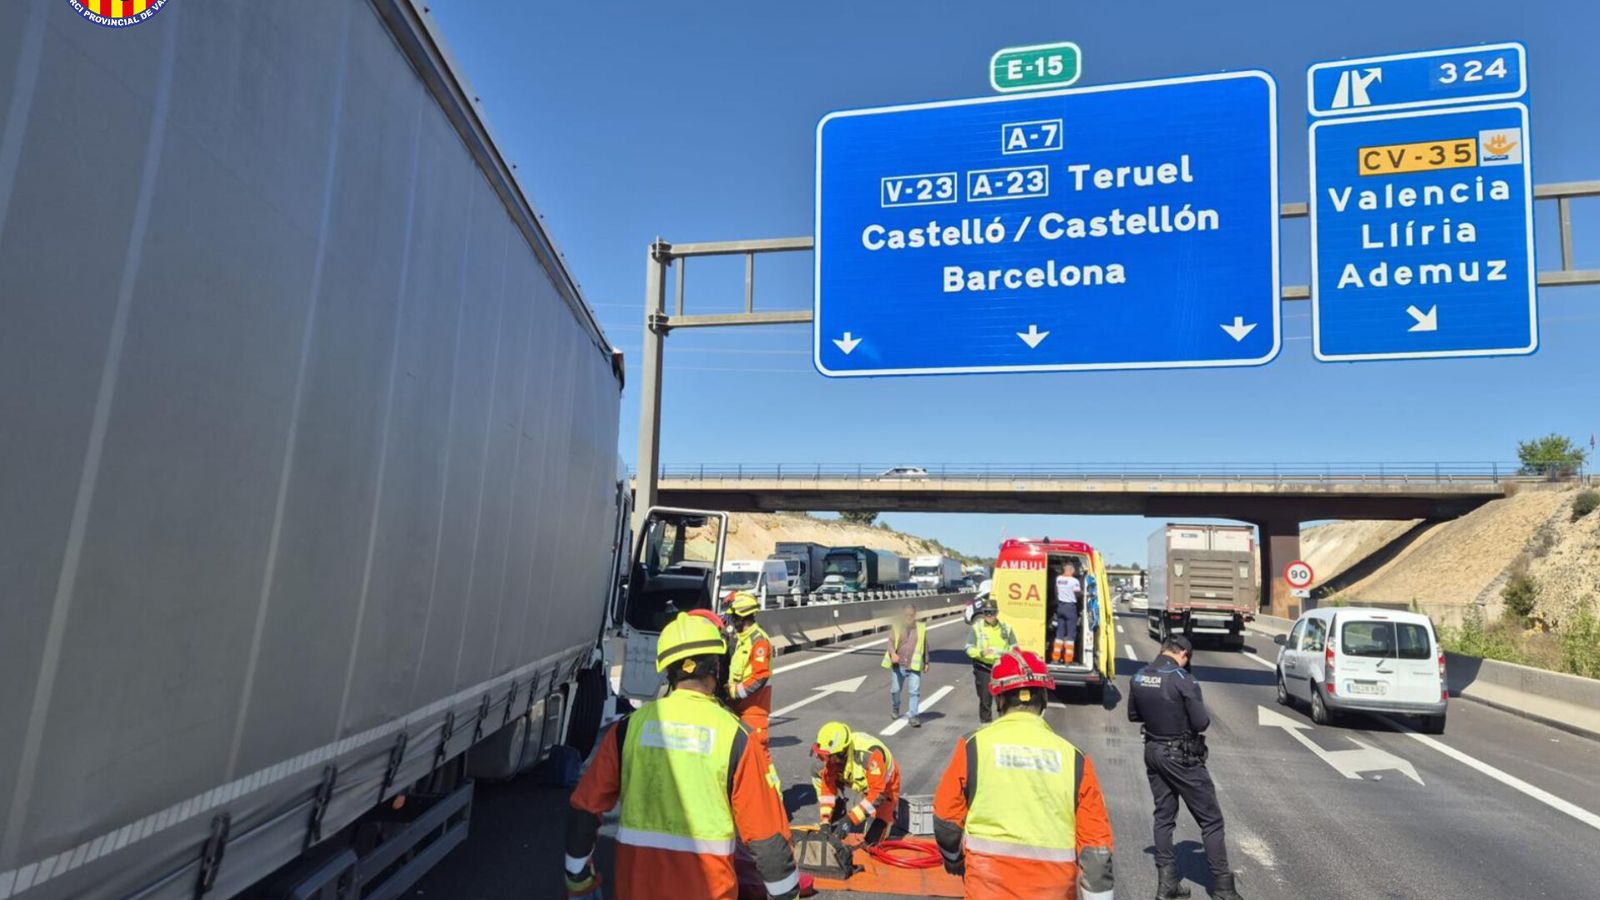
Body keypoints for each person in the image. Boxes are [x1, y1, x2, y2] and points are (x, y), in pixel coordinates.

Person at [565, 612, 799, 900]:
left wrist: (578, 878)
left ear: (667, 671)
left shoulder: (627, 730)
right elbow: (769, 843)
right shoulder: (737, 737)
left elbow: (586, 811)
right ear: (717, 666)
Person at [933, 649, 1114, 900]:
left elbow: (945, 819)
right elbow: (1096, 848)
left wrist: (954, 859)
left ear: (1000, 701)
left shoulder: (974, 746)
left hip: (987, 889)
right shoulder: (1075, 758)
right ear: (1044, 699)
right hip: (1054, 891)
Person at [1128, 635, 1243, 900]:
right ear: (1184, 655)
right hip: (1182, 756)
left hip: (1153, 751)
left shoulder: (1139, 676)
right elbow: (1201, 722)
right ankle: (1224, 889)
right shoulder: (1183, 679)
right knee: (1211, 820)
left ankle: (1167, 884)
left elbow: (1133, 715)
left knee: (1163, 817)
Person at [811, 721, 900, 845]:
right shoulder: (834, 758)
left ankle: (889, 815)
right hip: (855, 779)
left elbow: (877, 795)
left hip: (884, 787)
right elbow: (827, 790)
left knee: (872, 842)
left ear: (841, 752)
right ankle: (837, 807)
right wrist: (825, 821)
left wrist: (851, 819)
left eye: (825, 757)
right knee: (817, 770)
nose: (822, 760)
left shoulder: (870, 756)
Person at [725, 591, 774, 753]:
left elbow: (760, 676)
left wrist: (734, 692)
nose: (731, 620)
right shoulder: (741, 639)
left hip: (754, 707)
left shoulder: (758, 641)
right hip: (739, 705)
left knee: (757, 751)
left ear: (741, 616)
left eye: (734, 617)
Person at [965, 599, 1018, 724]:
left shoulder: (1006, 628)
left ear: (997, 613)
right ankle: (985, 726)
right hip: (984, 668)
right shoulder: (977, 628)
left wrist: (1009, 654)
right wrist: (981, 653)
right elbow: (968, 648)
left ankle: (1004, 725)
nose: (989, 615)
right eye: (986, 612)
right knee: (985, 700)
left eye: (992, 612)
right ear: (983, 613)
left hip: (1002, 668)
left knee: (1005, 699)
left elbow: (1015, 647)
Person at [882, 603, 928, 726]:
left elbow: (924, 645)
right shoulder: (896, 627)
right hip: (899, 665)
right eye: (907, 615)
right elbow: (890, 643)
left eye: (911, 615)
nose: (909, 617)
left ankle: (913, 716)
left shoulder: (921, 628)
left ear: (915, 615)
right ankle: (895, 707)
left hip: (914, 666)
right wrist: (893, 654)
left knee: (914, 691)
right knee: (896, 690)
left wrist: (927, 662)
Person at [1052, 561, 1082, 664]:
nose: (1074, 572)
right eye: (1073, 570)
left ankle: (1055, 658)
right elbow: (1078, 594)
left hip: (1060, 607)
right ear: (1070, 570)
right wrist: (1084, 594)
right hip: (1070, 608)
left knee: (1059, 633)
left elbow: (1056, 592)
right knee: (1070, 635)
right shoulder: (1074, 581)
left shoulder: (1058, 579)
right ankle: (1068, 660)